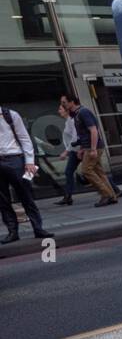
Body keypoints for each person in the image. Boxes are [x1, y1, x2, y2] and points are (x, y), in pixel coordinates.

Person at [0, 103, 55, 243]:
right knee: (3, 201)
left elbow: (24, 138)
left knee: (26, 195)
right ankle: (13, 232)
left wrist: (29, 161)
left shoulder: (10, 115)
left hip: (14, 159)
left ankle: (38, 228)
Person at [59, 94, 121, 205]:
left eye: (64, 102)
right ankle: (112, 196)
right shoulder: (76, 115)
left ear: (72, 102)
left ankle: (106, 195)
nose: (63, 105)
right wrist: (82, 148)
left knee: (86, 170)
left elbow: (93, 130)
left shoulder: (83, 112)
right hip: (88, 147)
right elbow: (83, 134)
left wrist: (93, 149)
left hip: (93, 147)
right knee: (99, 172)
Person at [55, 102, 80, 205]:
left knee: (93, 170)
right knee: (69, 172)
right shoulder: (68, 121)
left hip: (79, 149)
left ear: (66, 110)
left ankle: (114, 190)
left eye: (60, 109)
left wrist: (66, 151)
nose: (58, 111)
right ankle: (68, 197)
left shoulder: (72, 121)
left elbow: (74, 137)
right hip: (75, 150)